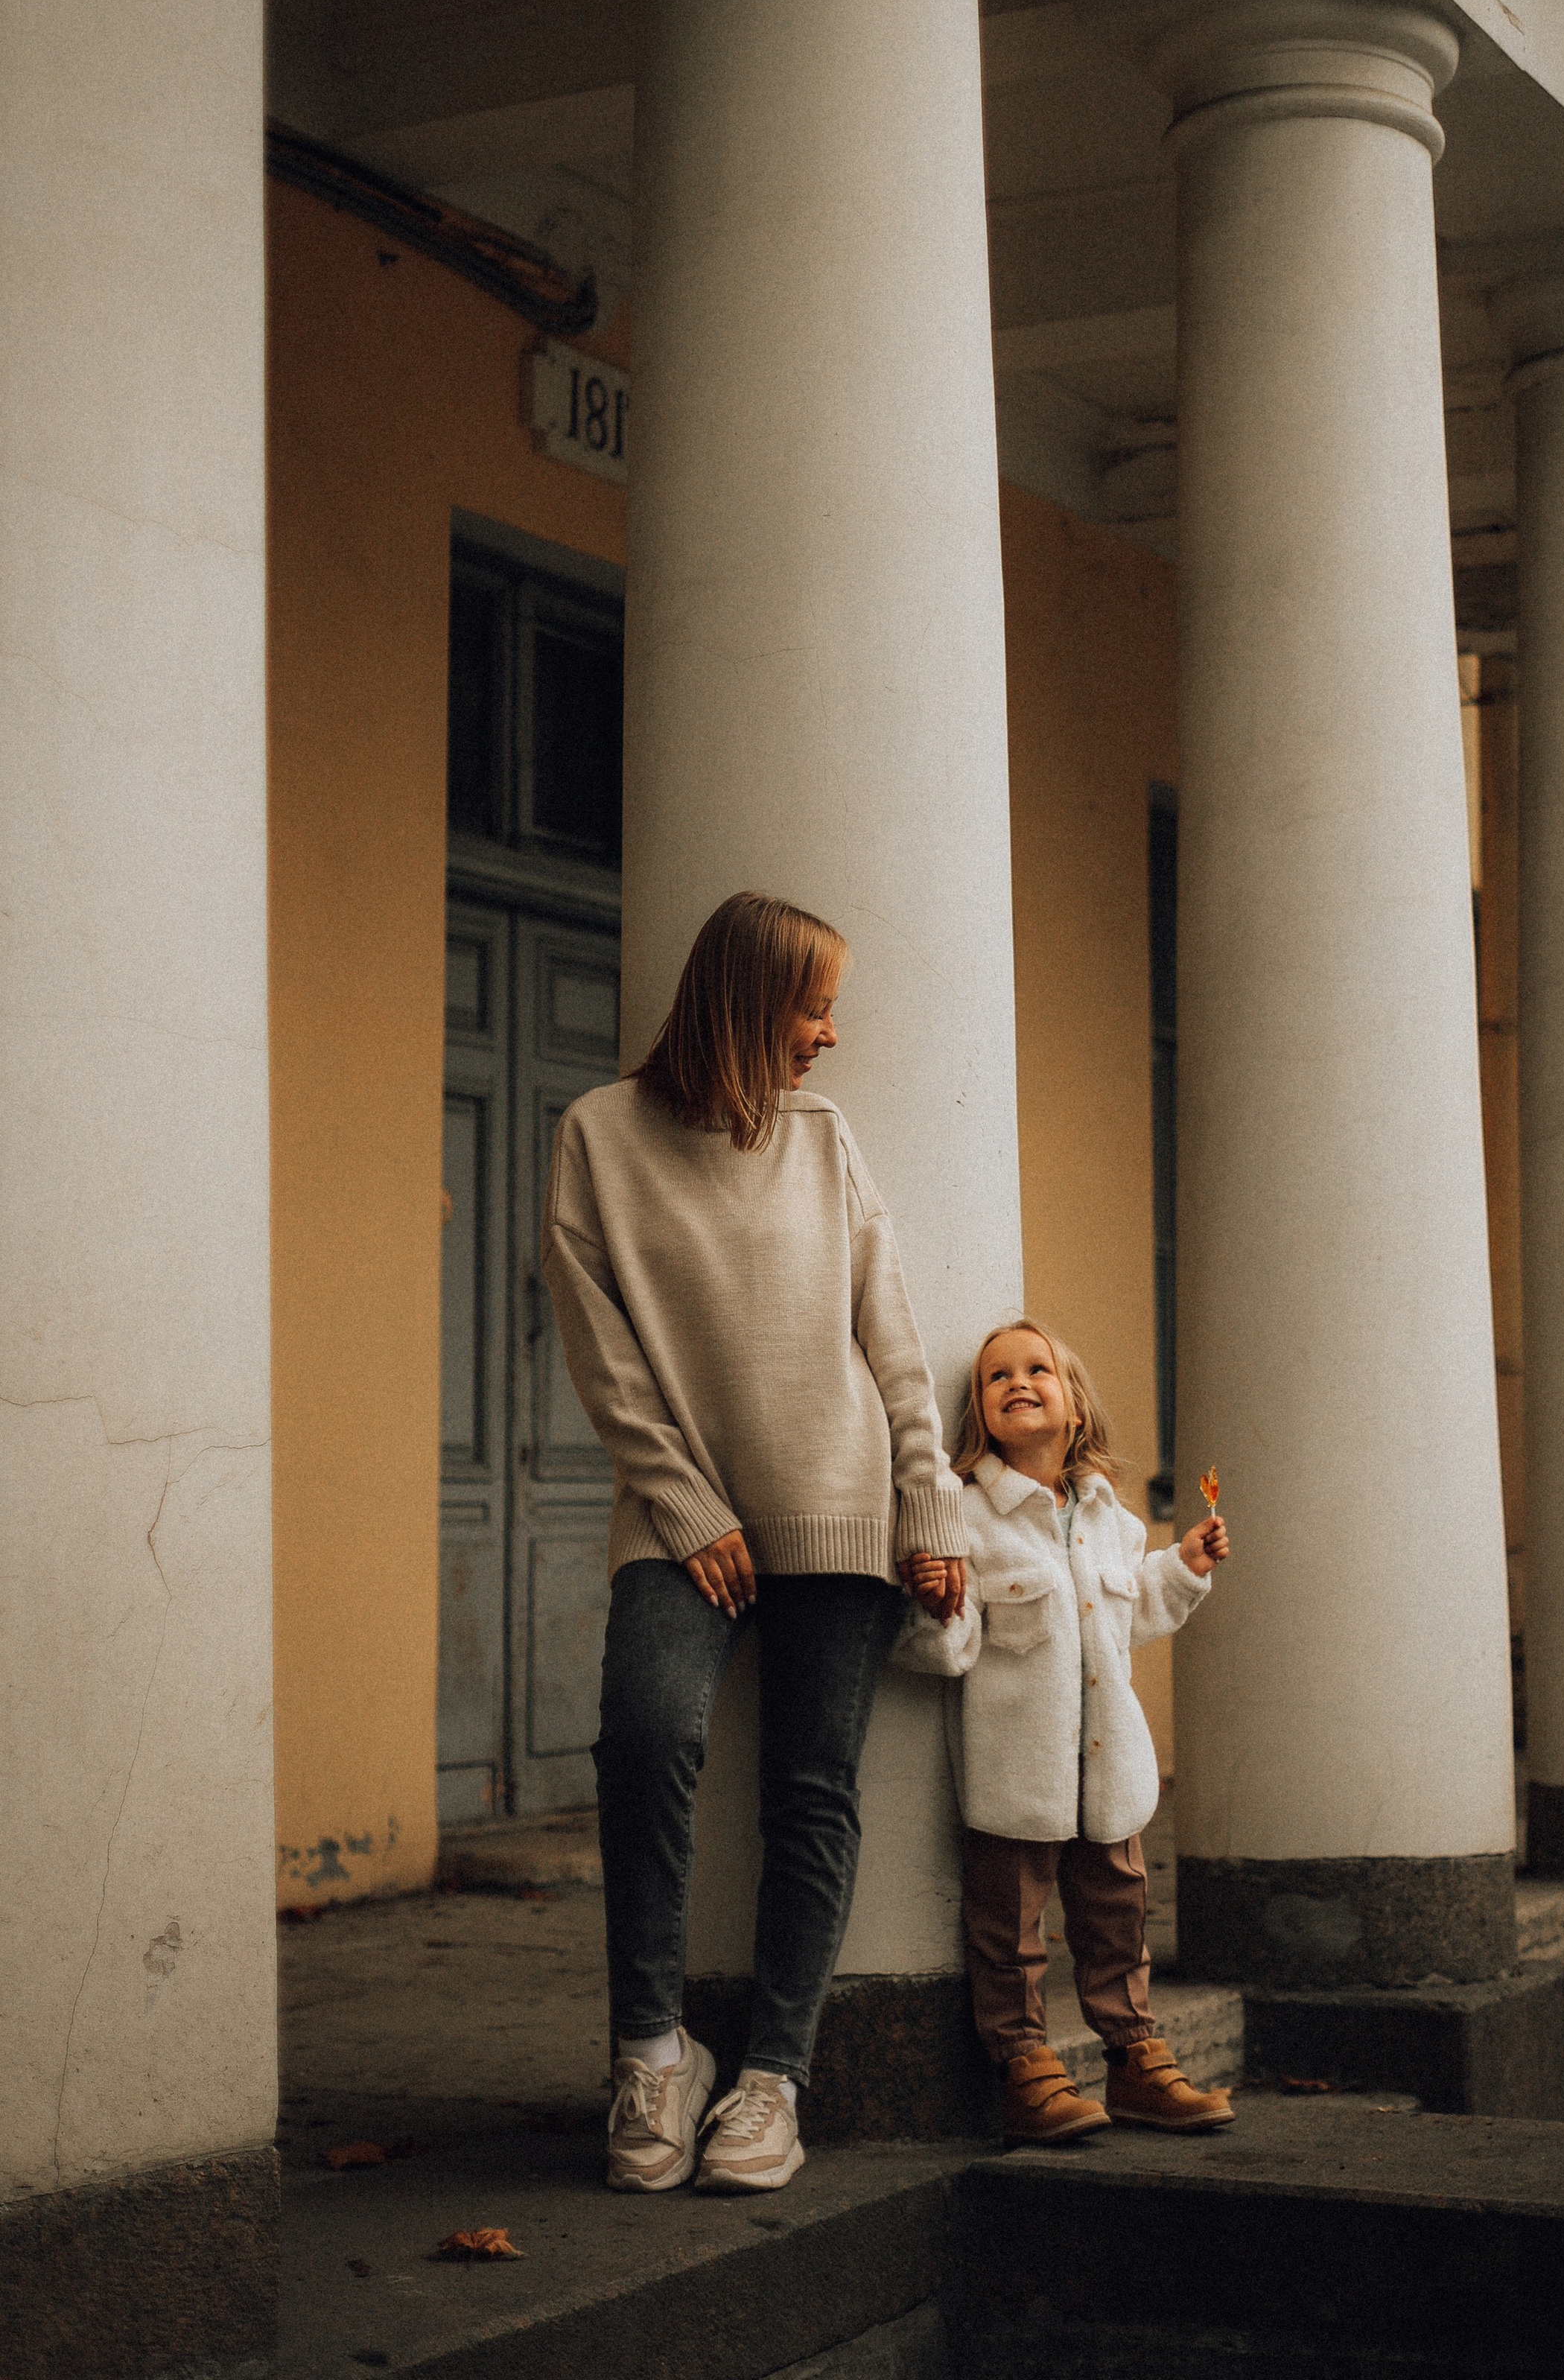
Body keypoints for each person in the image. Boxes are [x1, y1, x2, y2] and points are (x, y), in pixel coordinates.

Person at [541, 892, 968, 2198]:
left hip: (836, 1505)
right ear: (746, 999)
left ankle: (773, 2079)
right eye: (815, 1007)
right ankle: (652, 2052)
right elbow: (602, 1352)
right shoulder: (598, 1137)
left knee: (810, 1789)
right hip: (685, 1520)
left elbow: (889, 1342)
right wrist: (688, 1506)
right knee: (649, 1736)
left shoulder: (826, 1142)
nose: (830, 1037)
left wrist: (930, 1507)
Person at [893, 1320, 1233, 2143]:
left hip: (1110, 1771)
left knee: (1118, 1921)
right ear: (978, 1413)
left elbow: (1129, 1613)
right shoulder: (968, 1517)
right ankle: (1023, 2068)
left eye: (1038, 1369)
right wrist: (936, 1606)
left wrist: (1183, 1567)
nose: (1018, 1382)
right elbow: (947, 1646)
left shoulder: (1110, 1520)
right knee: (1009, 1936)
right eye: (995, 1377)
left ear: (1074, 1405)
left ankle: (1135, 2058)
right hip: (1017, 1778)